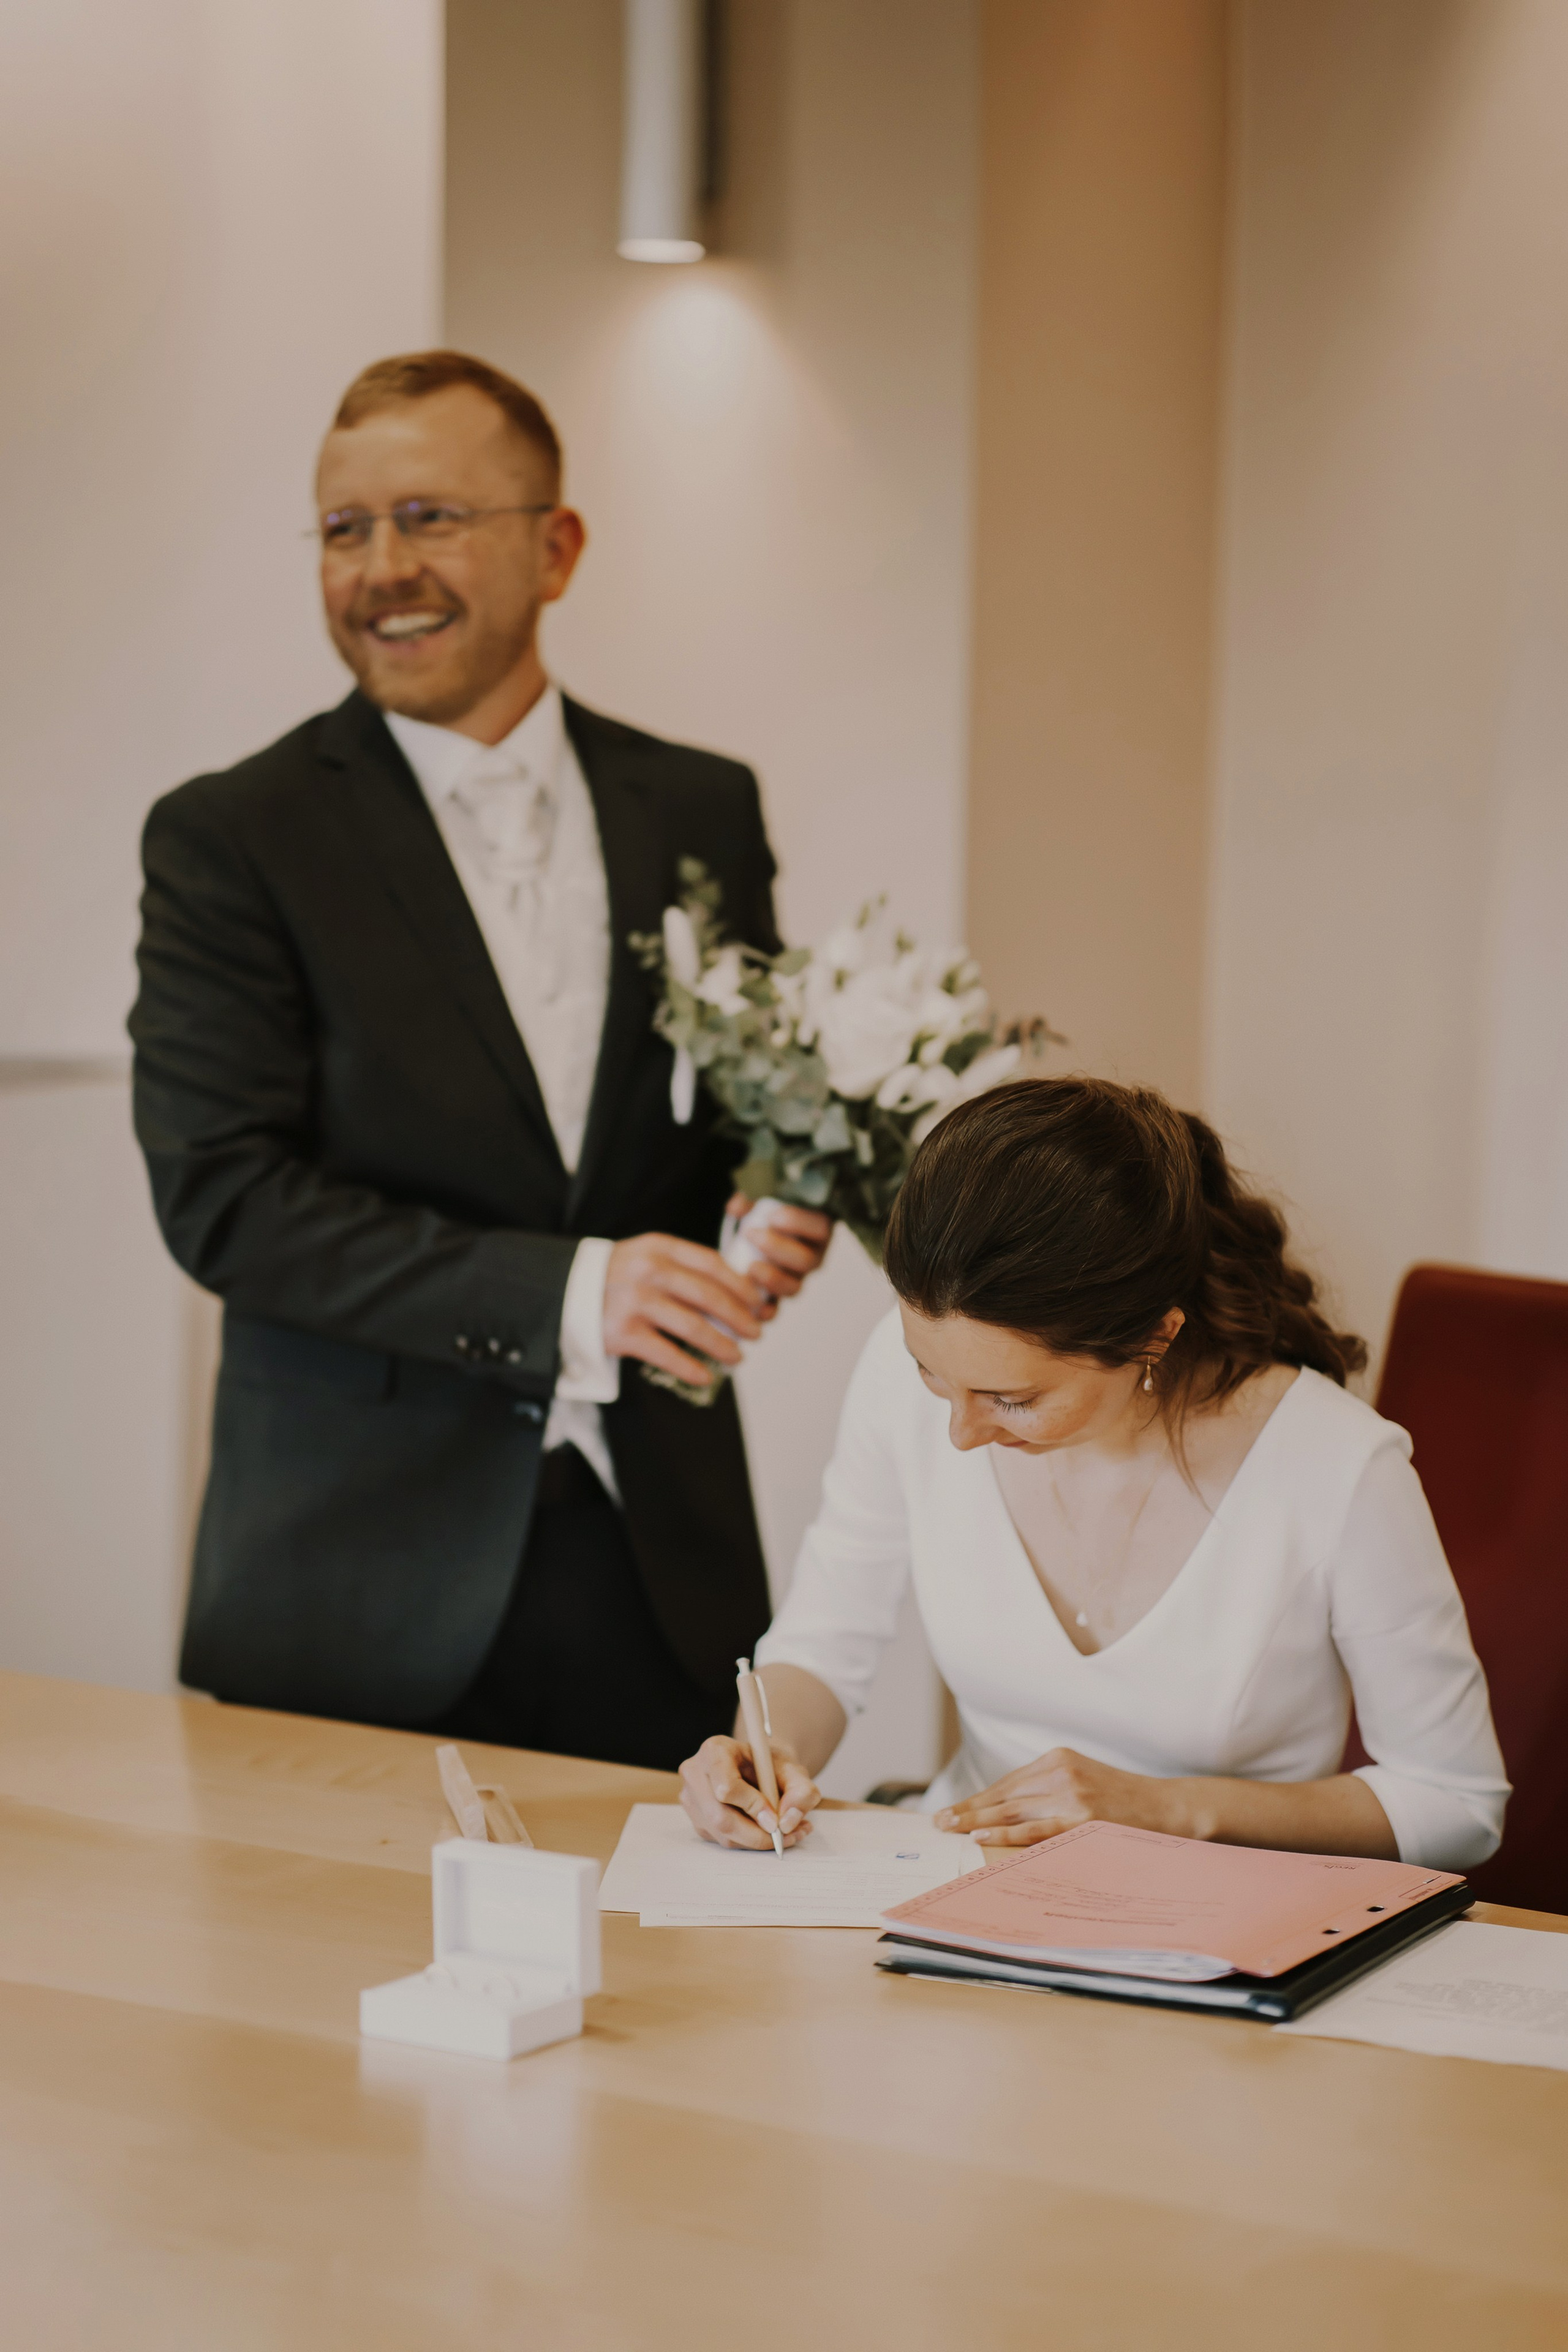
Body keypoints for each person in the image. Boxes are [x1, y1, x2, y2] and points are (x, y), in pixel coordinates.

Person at [130, 349, 829, 1770]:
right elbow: (227, 1204)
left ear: (555, 547)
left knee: (677, 1917)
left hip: (661, 1567)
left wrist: (778, 1193)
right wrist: (571, 1293)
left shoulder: (699, 805)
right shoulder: (232, 837)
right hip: (352, 1584)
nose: (382, 568)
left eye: (430, 518)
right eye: (345, 528)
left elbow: (739, 1109)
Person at [679, 1077, 1509, 1869]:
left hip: (1223, 1926)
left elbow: (1457, 1805)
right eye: (931, 1373)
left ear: (1154, 1338)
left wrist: (1169, 1808)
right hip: (956, 1887)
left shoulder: (1339, 1468)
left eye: (1013, 1399)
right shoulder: (902, 1387)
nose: (960, 1433)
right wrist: (762, 1753)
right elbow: (821, 1648)